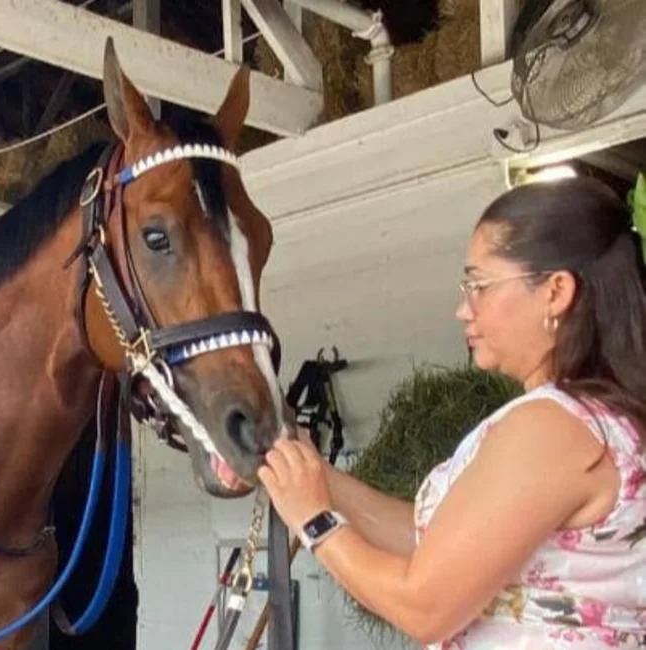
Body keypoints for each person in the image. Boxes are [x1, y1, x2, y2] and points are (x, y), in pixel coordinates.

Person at [258, 177, 646, 648]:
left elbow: (424, 607)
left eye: (479, 285)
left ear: (556, 291)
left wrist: (315, 521)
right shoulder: (594, 422)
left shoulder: (553, 427)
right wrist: (309, 474)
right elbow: (434, 547)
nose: (463, 309)